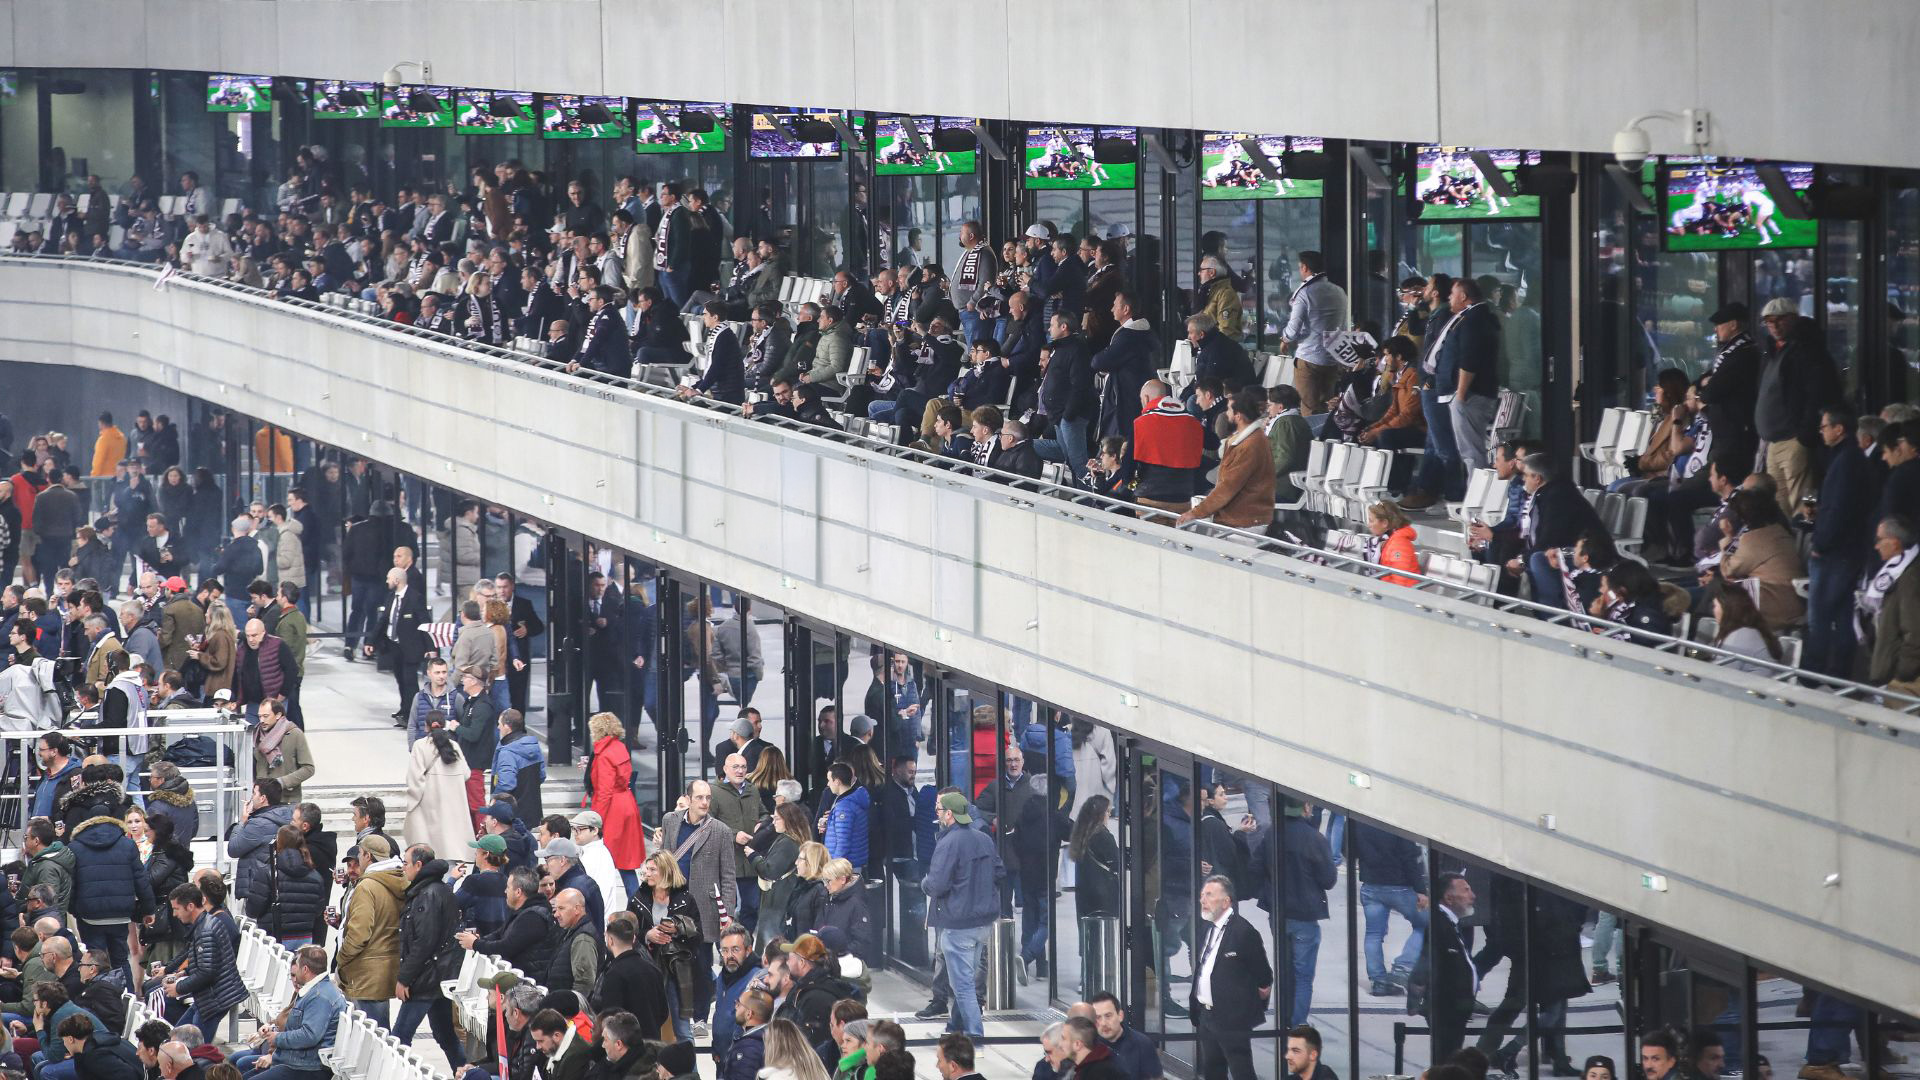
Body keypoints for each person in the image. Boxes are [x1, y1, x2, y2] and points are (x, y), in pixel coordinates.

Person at [1754, 299, 1842, 514]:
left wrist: (1805, 436)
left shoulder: (1807, 351)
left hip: (1795, 442)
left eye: (1780, 319)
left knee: (1805, 503)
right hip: (1773, 443)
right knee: (1778, 507)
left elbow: (1818, 394)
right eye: (1769, 321)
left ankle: (1807, 536)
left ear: (1793, 319)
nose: (1774, 325)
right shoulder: (1772, 351)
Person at [1805, 408, 1875, 675]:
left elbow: (1840, 509)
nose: (1821, 431)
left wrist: (1820, 544)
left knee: (1821, 616)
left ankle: (1814, 674)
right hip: (1849, 548)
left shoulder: (1846, 461)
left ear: (1839, 429)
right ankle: (1839, 673)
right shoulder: (1849, 458)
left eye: (1824, 426)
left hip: (1834, 551)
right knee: (1842, 614)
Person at [923, 792, 998, 1036]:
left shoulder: (948, 843)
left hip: (958, 924)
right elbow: (999, 872)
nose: (937, 814)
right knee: (964, 979)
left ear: (949, 814)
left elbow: (936, 885)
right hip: (982, 922)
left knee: (962, 985)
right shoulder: (984, 838)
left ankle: (975, 1034)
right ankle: (955, 1026)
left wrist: (924, 883)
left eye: (938, 810)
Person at [1187, 874, 1270, 1080]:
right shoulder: (1207, 928)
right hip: (1207, 1016)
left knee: (1241, 1070)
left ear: (1226, 901)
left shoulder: (1243, 932)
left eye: (1209, 895)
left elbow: (1263, 976)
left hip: (1232, 1018)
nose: (1202, 900)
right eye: (1202, 895)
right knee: (1213, 1070)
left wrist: (1245, 1006)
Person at [392, 844, 465, 1069]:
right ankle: (465, 1072)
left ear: (418, 865)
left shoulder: (428, 894)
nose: (403, 867)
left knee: (399, 1038)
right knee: (445, 1035)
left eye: (406, 863)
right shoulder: (434, 889)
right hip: (439, 975)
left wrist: (404, 978)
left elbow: (424, 942)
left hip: (427, 978)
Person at [1409, 872, 1477, 1062]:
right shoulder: (1440, 924)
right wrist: (1416, 997)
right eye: (1466, 890)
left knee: (1450, 1058)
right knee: (1446, 1059)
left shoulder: (1452, 923)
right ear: (1449, 898)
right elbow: (1427, 962)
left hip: (1454, 1009)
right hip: (1447, 1009)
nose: (1472, 895)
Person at [167, 883, 247, 1036]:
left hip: (216, 998)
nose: (174, 914)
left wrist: (179, 988)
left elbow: (207, 972)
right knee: (177, 1037)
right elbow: (210, 961)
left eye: (176, 909)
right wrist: (184, 973)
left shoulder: (205, 931)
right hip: (212, 995)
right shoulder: (206, 923)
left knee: (194, 1046)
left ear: (190, 906)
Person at [1279, 252, 1350, 416]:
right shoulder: (1339, 291)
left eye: (1299, 267)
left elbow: (1293, 329)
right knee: (1328, 408)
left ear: (1305, 267)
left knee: (1309, 409)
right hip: (1332, 357)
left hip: (1309, 357)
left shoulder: (1304, 293)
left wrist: (1285, 339)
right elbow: (1343, 325)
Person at [584, 713, 647, 895]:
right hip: (626, 804)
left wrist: (595, 821)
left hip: (613, 811)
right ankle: (637, 904)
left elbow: (604, 792)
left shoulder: (603, 754)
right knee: (626, 865)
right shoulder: (619, 747)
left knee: (604, 861)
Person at [404, 722, 474, 863]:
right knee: (450, 845)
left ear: (426, 726)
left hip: (429, 802)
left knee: (430, 845)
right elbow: (466, 773)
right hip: (453, 802)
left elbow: (414, 777)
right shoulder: (454, 745)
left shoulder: (420, 745)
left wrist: (413, 800)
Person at [1088, 992, 1162, 1080]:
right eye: (1098, 1018)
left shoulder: (1142, 1044)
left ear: (1120, 1016)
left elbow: (1156, 1077)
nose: (1104, 1023)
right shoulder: (1088, 1047)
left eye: (1108, 1016)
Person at [721, 990, 772, 1080]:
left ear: (749, 1014)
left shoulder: (749, 1048)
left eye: (739, 1004)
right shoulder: (770, 1037)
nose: (736, 1007)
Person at [1061, 1016, 1127, 1080]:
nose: (1060, 1044)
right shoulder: (1086, 1069)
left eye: (1063, 1038)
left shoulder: (1097, 1074)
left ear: (1077, 1044)